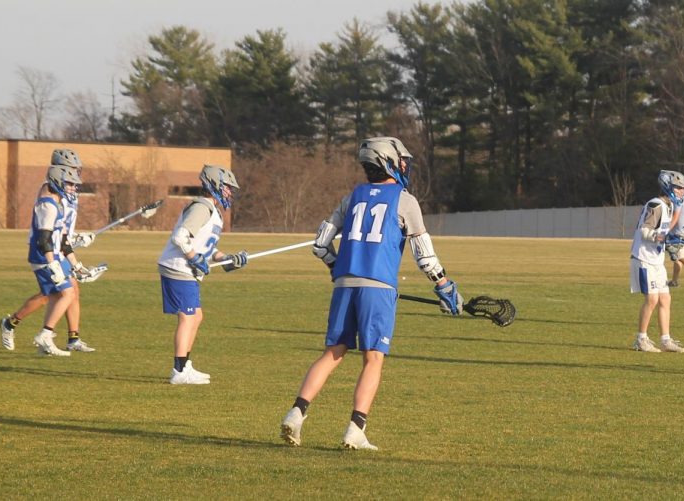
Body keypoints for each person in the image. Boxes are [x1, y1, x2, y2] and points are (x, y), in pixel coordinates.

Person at [280, 137, 462, 451]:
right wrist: (443, 284)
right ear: (391, 162)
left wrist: (340, 268)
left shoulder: (351, 198)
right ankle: (356, 428)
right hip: (378, 289)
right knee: (373, 358)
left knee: (333, 353)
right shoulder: (405, 200)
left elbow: (320, 245)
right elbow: (425, 256)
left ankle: (296, 412)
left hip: (344, 286)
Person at [0, 149, 99, 355]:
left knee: (67, 293)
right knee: (55, 295)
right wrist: (56, 259)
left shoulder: (65, 192)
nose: (75, 176)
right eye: (72, 170)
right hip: (46, 251)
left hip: (59, 247)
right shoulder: (49, 195)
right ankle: (15, 325)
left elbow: (62, 229)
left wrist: (76, 247)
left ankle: (69, 338)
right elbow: (46, 232)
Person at [157, 165, 248, 385]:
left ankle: (185, 365)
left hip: (186, 269)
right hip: (178, 267)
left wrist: (228, 259)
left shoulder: (212, 210)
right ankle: (179, 371)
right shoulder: (202, 208)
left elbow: (205, 248)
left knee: (196, 316)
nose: (229, 192)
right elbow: (180, 238)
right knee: (187, 317)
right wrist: (193, 257)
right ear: (214, 185)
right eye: (227, 188)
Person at [24, 164, 84, 356]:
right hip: (43, 257)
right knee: (67, 294)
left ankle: (45, 343)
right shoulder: (47, 205)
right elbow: (43, 239)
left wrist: (77, 265)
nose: (73, 188)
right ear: (58, 181)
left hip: (52, 256)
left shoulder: (57, 203)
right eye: (69, 184)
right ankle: (45, 335)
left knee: (59, 295)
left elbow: (63, 240)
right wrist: (53, 264)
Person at [630, 170, 684, 354]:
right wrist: (662, 238)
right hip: (644, 258)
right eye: (678, 188)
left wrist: (670, 240)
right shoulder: (655, 204)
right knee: (652, 299)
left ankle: (665, 340)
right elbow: (645, 231)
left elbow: (661, 233)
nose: (682, 192)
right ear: (667, 186)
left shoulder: (668, 206)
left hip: (656, 259)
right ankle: (641, 339)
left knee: (665, 298)